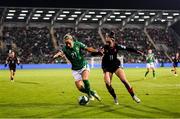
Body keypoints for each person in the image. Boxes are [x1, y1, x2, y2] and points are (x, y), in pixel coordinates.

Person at [53, 34, 101, 102]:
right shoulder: (65, 48)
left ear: (72, 40)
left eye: (68, 43)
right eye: (66, 43)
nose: (67, 45)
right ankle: (92, 92)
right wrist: (56, 56)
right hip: (75, 70)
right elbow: (60, 53)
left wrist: (96, 51)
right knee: (80, 88)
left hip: (83, 66)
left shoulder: (78, 44)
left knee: (85, 79)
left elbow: (88, 48)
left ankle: (89, 95)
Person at [99, 31, 142, 105]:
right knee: (108, 84)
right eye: (106, 38)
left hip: (115, 65)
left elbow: (128, 49)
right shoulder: (104, 47)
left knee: (124, 80)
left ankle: (133, 96)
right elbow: (97, 52)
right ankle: (115, 97)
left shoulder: (117, 46)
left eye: (107, 37)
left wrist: (137, 51)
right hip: (107, 67)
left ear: (112, 39)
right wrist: (99, 52)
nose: (106, 39)